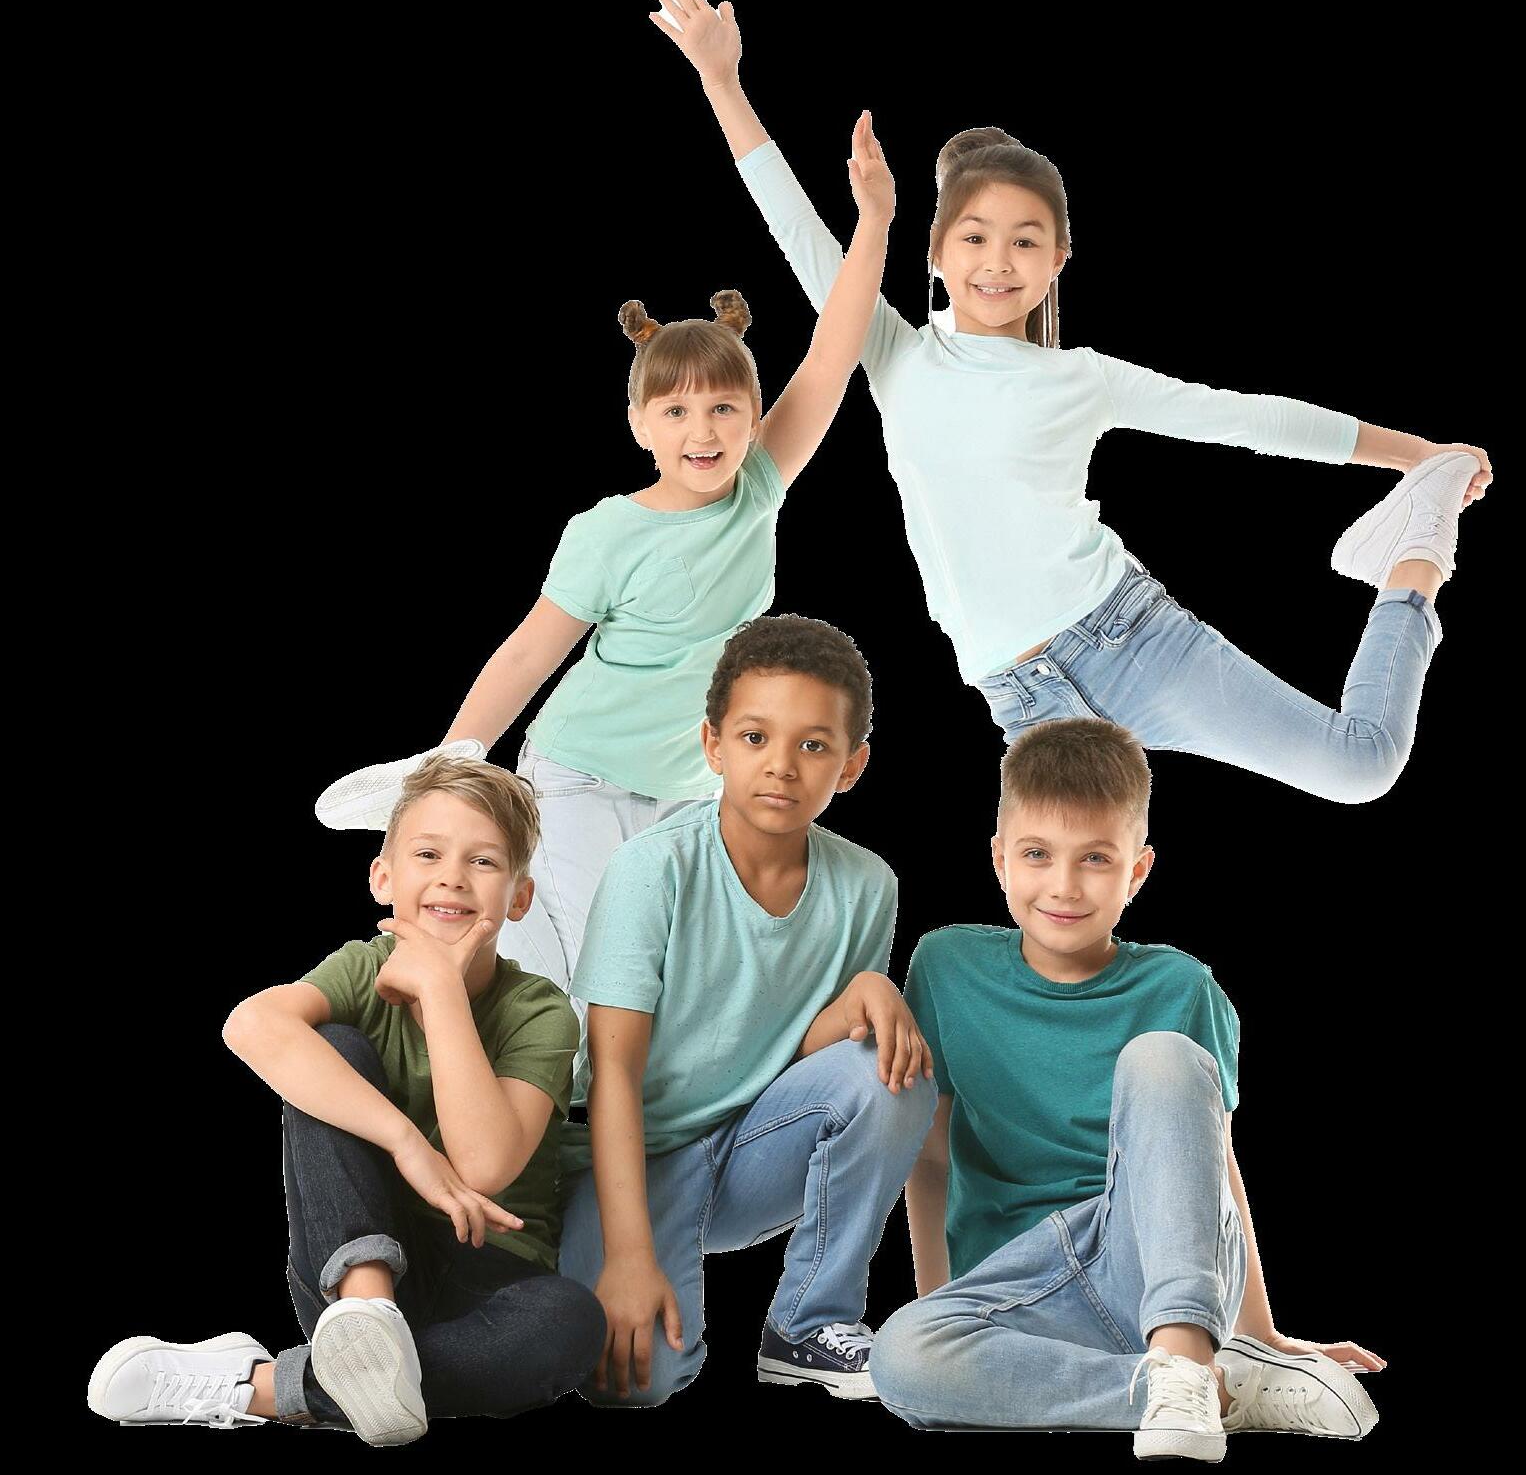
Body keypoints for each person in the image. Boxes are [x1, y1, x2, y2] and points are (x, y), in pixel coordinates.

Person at [653, 0, 1495, 805]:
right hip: (1022, 698)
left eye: (1025, 242)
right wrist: (722, 79)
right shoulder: (893, 350)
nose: (997, 262)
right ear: (936, 252)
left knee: (1359, 766)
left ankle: (1416, 547)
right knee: (1065, 880)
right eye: (975, 238)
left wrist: (1416, 456)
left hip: (1131, 639)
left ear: (1056, 260)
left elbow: (1244, 419)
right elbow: (796, 227)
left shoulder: (1081, 378)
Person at [312, 116, 896, 1006]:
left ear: (752, 419)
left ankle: (500, 1005)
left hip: (687, 788)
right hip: (580, 774)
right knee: (601, 972)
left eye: (724, 410)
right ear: (640, 425)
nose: (703, 432)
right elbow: (530, 651)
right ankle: (446, 980)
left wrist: (875, 222)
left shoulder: (760, 488)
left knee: (666, 969)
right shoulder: (608, 532)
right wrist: (455, 759)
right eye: (677, 413)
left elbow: (833, 353)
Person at [866, 719, 1383, 1457]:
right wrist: (941, 1303)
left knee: (1161, 1057)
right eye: (1037, 854)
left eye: (1095, 859)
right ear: (999, 858)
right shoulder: (946, 967)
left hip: (1151, 1260)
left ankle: (1189, 1355)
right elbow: (932, 1154)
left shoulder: (1180, 987)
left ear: (1136, 872)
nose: (1063, 885)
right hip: (1023, 1287)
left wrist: (1262, 1332)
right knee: (902, 1357)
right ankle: (1210, 1391)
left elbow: (1211, 1166)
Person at [87, 754, 605, 1442]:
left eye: (483, 862)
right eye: (428, 854)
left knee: (571, 1323)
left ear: (519, 897)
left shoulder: (541, 1011)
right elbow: (251, 1025)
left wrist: (441, 989)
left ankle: (265, 1387)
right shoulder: (364, 967)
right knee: (330, 1045)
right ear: (383, 877)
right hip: (352, 1263)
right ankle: (367, 1316)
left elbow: (482, 1167)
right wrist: (405, 1143)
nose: (452, 876)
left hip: (489, 1280)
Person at [558, 615, 938, 1405]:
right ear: (713, 745)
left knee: (891, 1066)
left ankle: (807, 1326)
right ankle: (592, 1256)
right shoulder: (653, 870)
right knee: (634, 1383)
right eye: (756, 737)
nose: (782, 767)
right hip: (634, 1158)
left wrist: (865, 995)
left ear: (852, 764)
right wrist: (628, 1257)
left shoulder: (868, 885)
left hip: (751, 1150)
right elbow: (614, 1074)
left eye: (814, 745)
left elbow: (804, 1059)